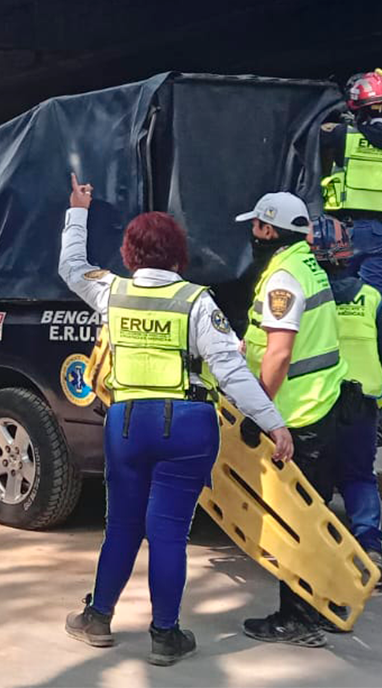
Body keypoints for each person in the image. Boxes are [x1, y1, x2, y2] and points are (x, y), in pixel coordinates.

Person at [60, 174, 291, 667]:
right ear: (178, 255)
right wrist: (273, 422)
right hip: (187, 425)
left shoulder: (112, 293)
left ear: (129, 253)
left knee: (121, 526)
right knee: (167, 532)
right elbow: (231, 371)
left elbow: (71, 266)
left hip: (126, 424)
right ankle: (165, 636)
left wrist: (77, 211)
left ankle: (98, 619)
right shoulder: (196, 302)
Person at [235, 192, 349, 648]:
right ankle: (327, 604)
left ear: (268, 229)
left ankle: (296, 618)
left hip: (299, 414)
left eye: (257, 227)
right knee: (318, 516)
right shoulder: (308, 263)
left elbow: (280, 353)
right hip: (324, 403)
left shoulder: (283, 278)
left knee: (295, 521)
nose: (253, 234)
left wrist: (259, 411)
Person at [307, 216, 382, 587]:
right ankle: (370, 546)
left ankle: (322, 553)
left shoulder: (309, 299)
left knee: (316, 479)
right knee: (359, 477)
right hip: (363, 403)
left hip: (320, 401)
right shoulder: (372, 298)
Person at [322, 70, 382, 292]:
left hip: (342, 230)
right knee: (374, 298)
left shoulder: (341, 135)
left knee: (337, 293)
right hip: (380, 233)